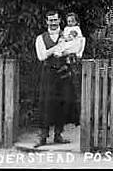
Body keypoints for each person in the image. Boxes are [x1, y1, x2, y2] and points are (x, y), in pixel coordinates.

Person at [34, 11, 81, 147]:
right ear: (46, 22)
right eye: (50, 20)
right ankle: (43, 136)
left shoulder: (67, 35)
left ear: (60, 20)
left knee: (62, 103)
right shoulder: (41, 38)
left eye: (55, 20)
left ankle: (58, 135)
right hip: (48, 74)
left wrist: (67, 50)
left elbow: (74, 49)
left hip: (63, 73)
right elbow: (42, 56)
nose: (53, 23)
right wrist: (56, 48)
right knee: (46, 103)